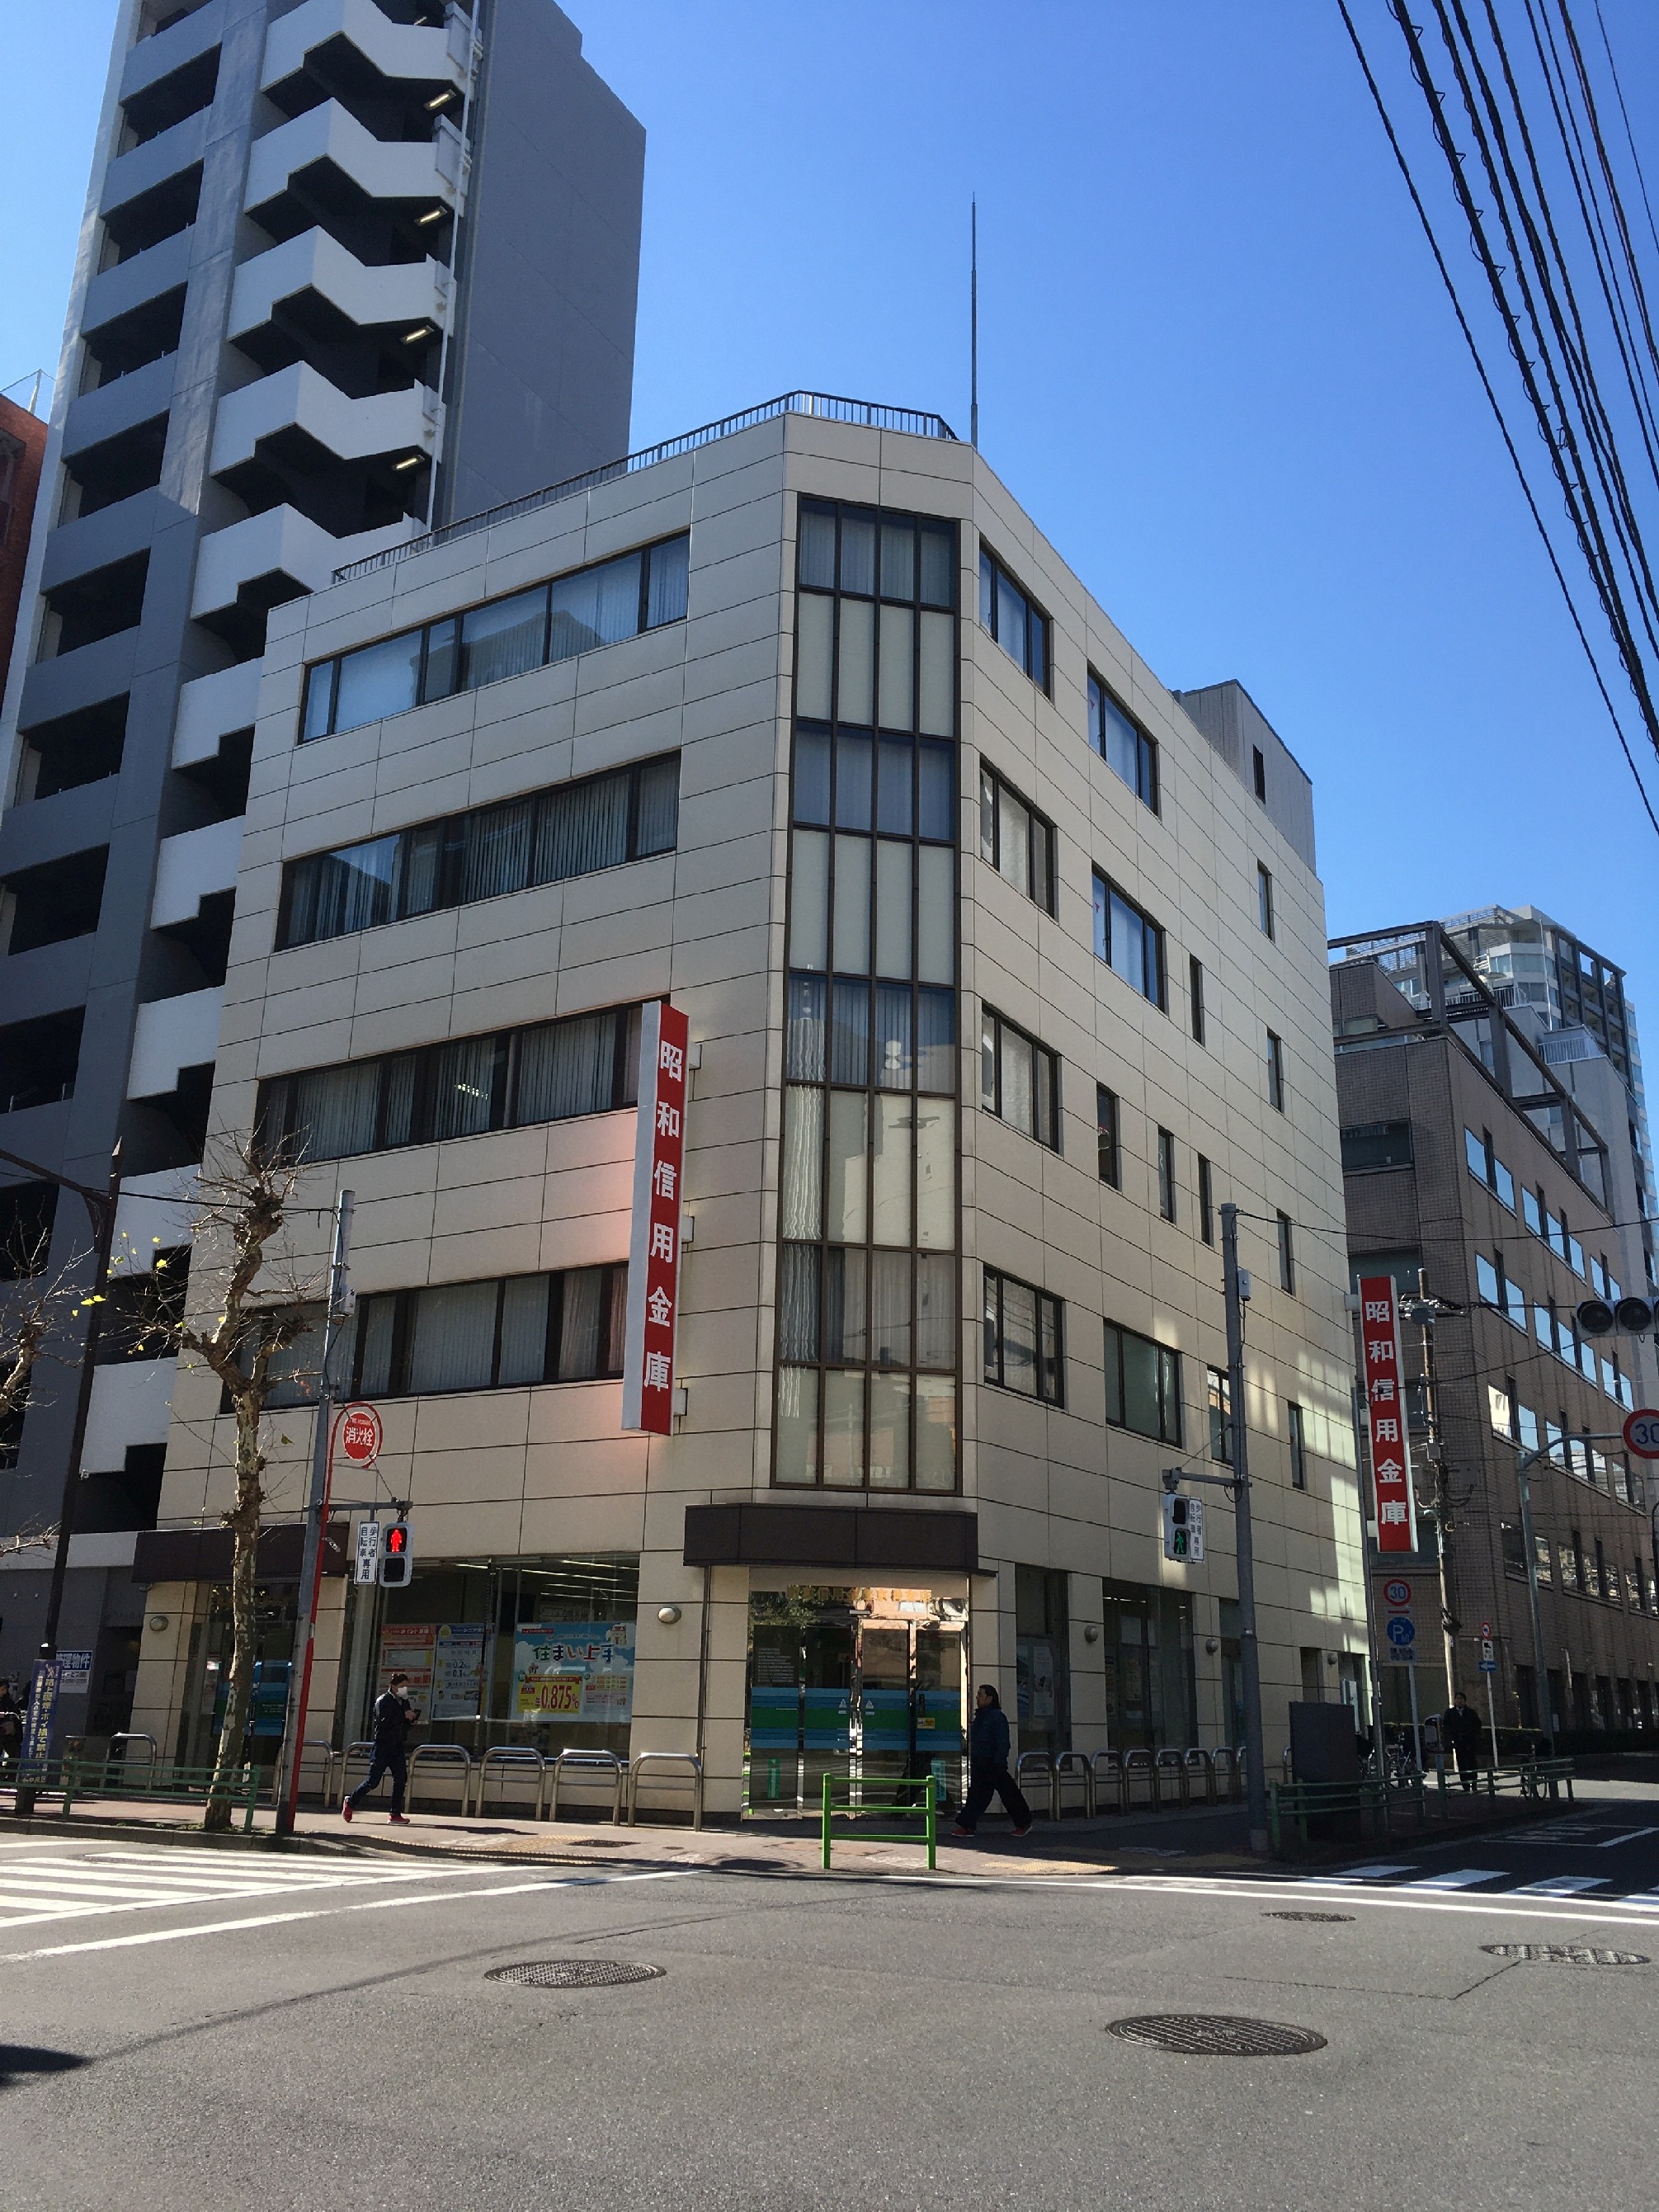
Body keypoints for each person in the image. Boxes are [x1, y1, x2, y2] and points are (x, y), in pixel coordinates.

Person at [950, 1684, 1032, 1839]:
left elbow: (1002, 1742)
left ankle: (1023, 1823)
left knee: (1008, 1794)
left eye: (980, 1695)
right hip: (981, 1763)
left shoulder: (996, 1717)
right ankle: (967, 1826)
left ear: (989, 1698)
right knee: (977, 1796)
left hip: (993, 1763)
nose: (977, 1698)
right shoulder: (980, 1717)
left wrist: (998, 1762)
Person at [342, 1672, 416, 1824]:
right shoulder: (383, 1701)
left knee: (400, 1779)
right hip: (383, 1746)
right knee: (373, 1781)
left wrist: (410, 1719)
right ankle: (351, 1802)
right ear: (393, 1686)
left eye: (406, 1687)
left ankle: (395, 1813)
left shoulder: (404, 1702)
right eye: (402, 1686)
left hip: (397, 1745)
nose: (405, 1690)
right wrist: (403, 1716)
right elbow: (383, 1721)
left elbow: (403, 1724)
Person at [1441, 1691, 1482, 1790]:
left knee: (1472, 1763)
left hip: (1470, 1742)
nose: (1459, 1701)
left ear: (1465, 1701)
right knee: (1462, 1764)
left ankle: (1474, 1783)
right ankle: (1465, 1786)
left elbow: (1478, 1725)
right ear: (1455, 1700)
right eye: (1457, 1698)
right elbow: (1446, 1727)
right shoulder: (1450, 1713)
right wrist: (1450, 1740)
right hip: (1458, 1743)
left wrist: (1474, 1736)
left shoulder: (1471, 1712)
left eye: (1461, 1699)